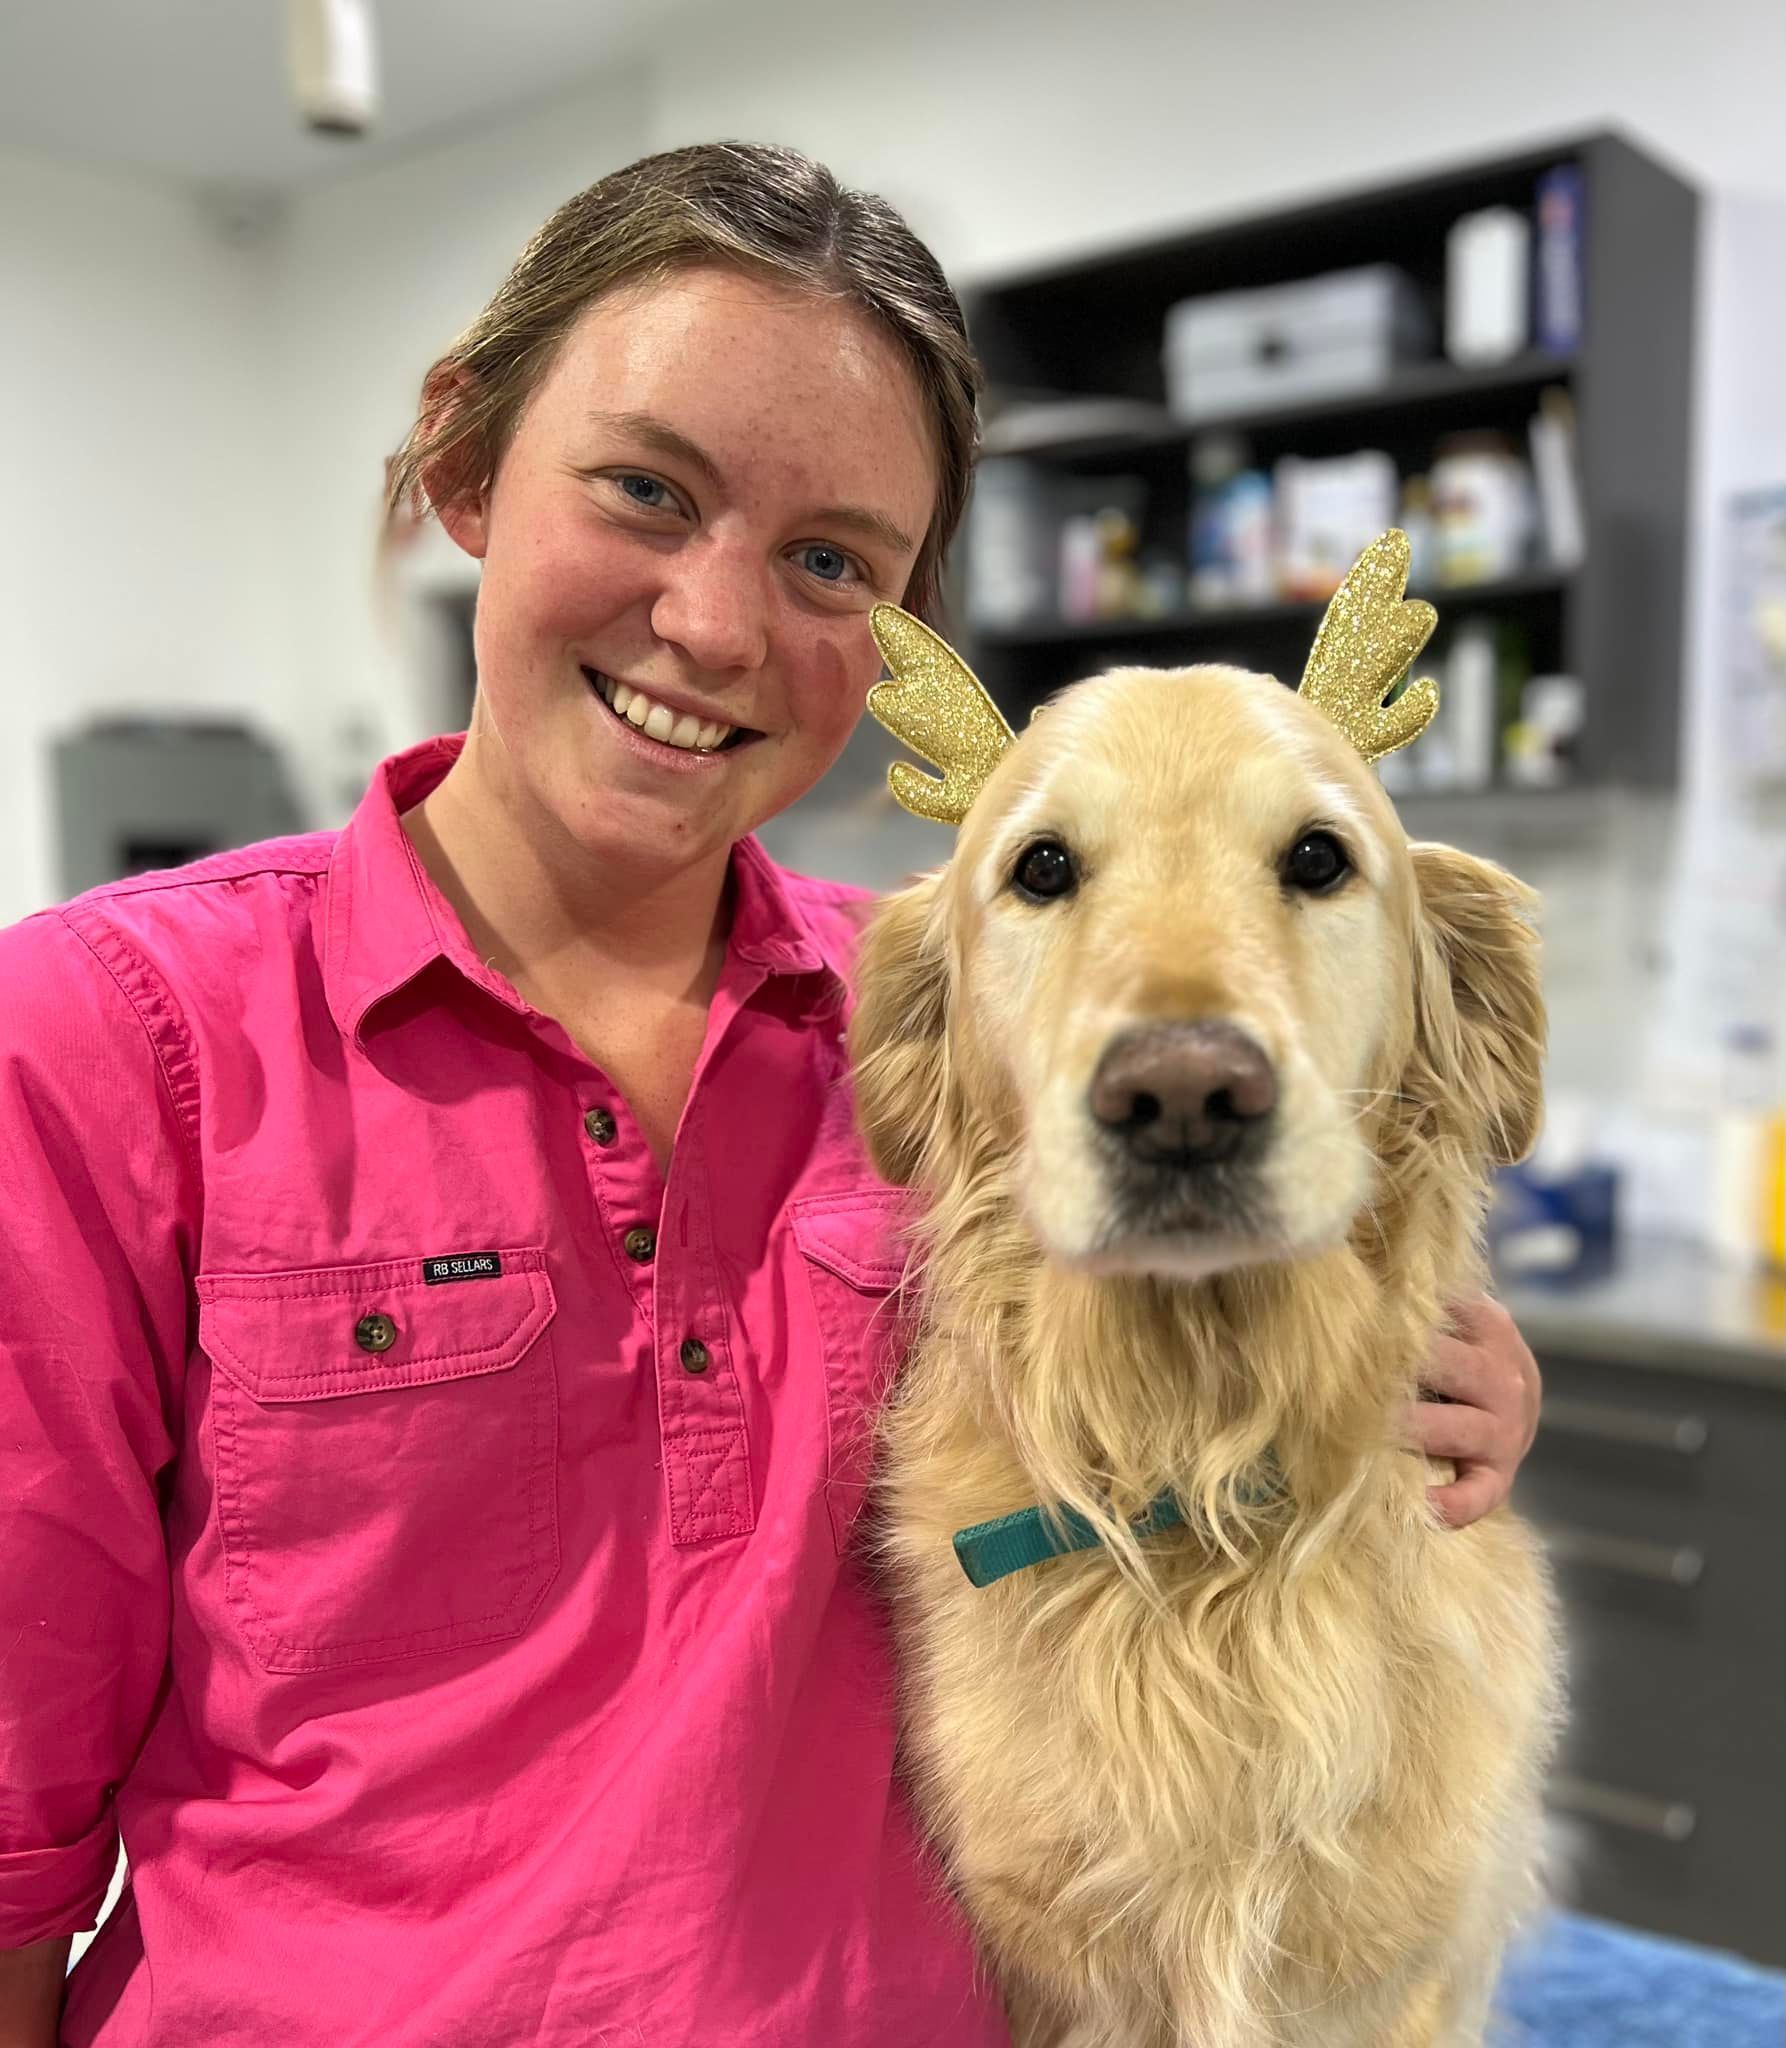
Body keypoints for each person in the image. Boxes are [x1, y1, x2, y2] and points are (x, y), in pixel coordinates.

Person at [0, 142, 1542, 2048]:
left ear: (901, 635)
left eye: (830, 561)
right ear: (465, 463)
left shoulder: (957, 1008)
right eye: (646, 491)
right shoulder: (106, 1035)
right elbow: (10, 1832)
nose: (718, 628)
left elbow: (1225, 1354)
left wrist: (1441, 1368)